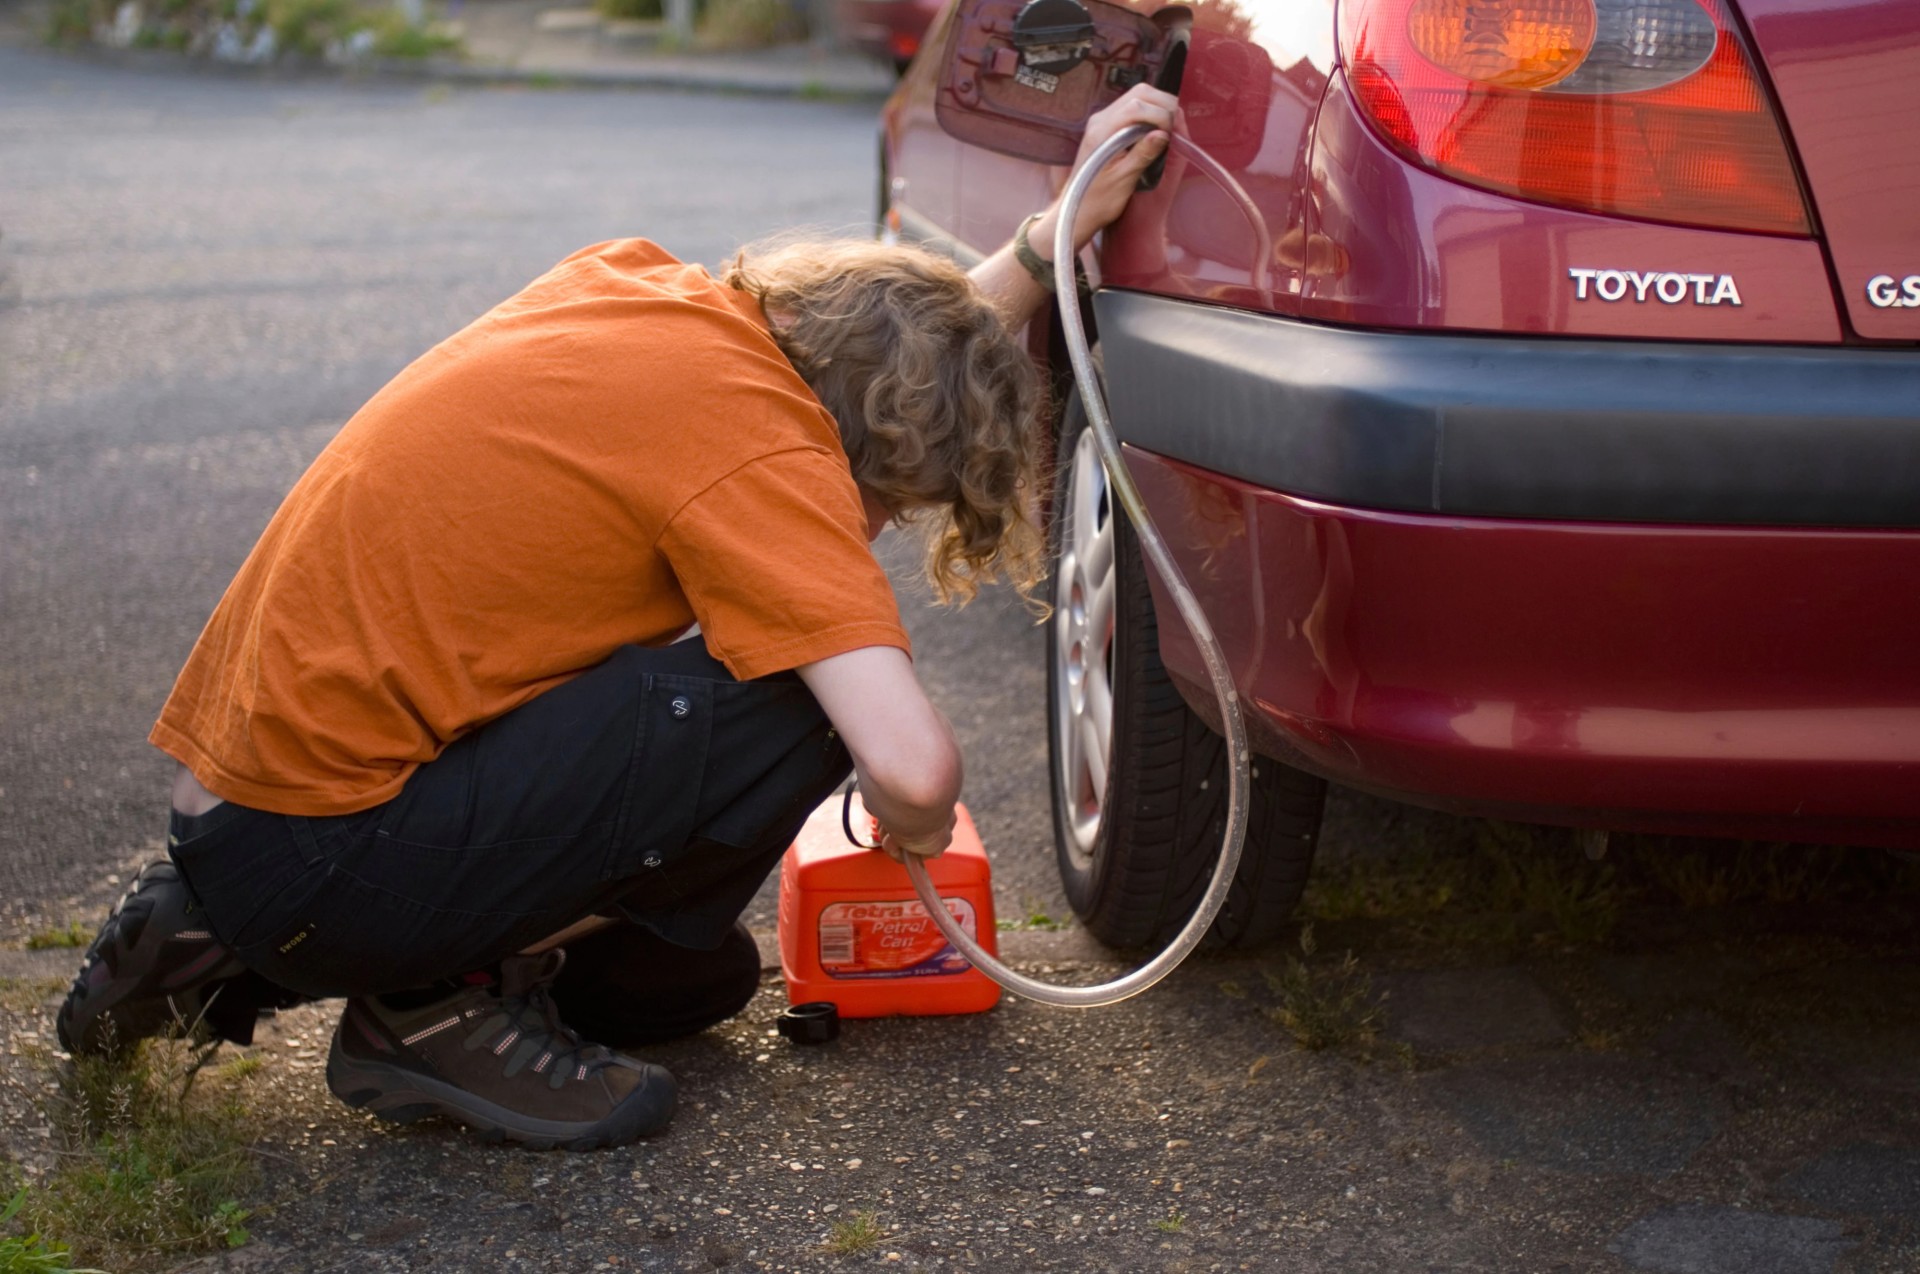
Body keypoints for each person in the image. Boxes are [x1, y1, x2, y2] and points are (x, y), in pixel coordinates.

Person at [54, 87, 1179, 1151]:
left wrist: (1046, 241)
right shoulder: (763, 451)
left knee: (689, 984)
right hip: (324, 859)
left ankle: (214, 939)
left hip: (243, 815)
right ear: (859, 448)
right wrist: (917, 832)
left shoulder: (652, 297)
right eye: (891, 500)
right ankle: (430, 1011)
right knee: (793, 700)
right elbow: (918, 769)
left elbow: (906, 352)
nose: (874, 528)